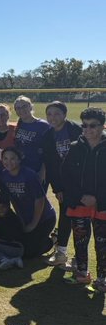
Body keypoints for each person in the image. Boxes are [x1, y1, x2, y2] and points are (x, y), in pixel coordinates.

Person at [62, 107, 106, 289]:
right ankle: (82, 272)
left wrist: (97, 198)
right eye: (84, 125)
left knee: (102, 243)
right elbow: (66, 176)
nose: (88, 130)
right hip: (79, 203)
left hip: (102, 204)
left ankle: (102, 278)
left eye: (93, 126)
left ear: (102, 126)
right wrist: (81, 196)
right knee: (80, 240)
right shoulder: (74, 148)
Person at [40, 101, 82, 267]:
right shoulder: (48, 136)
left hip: (81, 182)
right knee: (65, 217)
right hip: (64, 185)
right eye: (49, 114)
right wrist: (57, 188)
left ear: (64, 114)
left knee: (82, 220)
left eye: (57, 113)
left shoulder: (76, 130)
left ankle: (80, 257)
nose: (53, 117)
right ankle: (61, 253)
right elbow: (50, 164)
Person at [0, 146, 56, 259]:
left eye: (12, 158)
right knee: (20, 246)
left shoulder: (29, 175)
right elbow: (13, 200)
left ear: (19, 160)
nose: (8, 162)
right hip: (26, 218)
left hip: (44, 218)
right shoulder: (4, 175)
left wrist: (33, 224)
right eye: (5, 158)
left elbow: (40, 200)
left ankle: (53, 239)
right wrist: (21, 219)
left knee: (30, 253)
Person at [13, 96, 50, 184]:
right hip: (22, 169)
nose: (21, 110)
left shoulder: (43, 125)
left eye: (24, 106)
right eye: (18, 108)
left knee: (38, 197)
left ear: (30, 106)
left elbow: (49, 151)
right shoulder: (19, 125)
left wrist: (43, 171)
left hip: (37, 169)